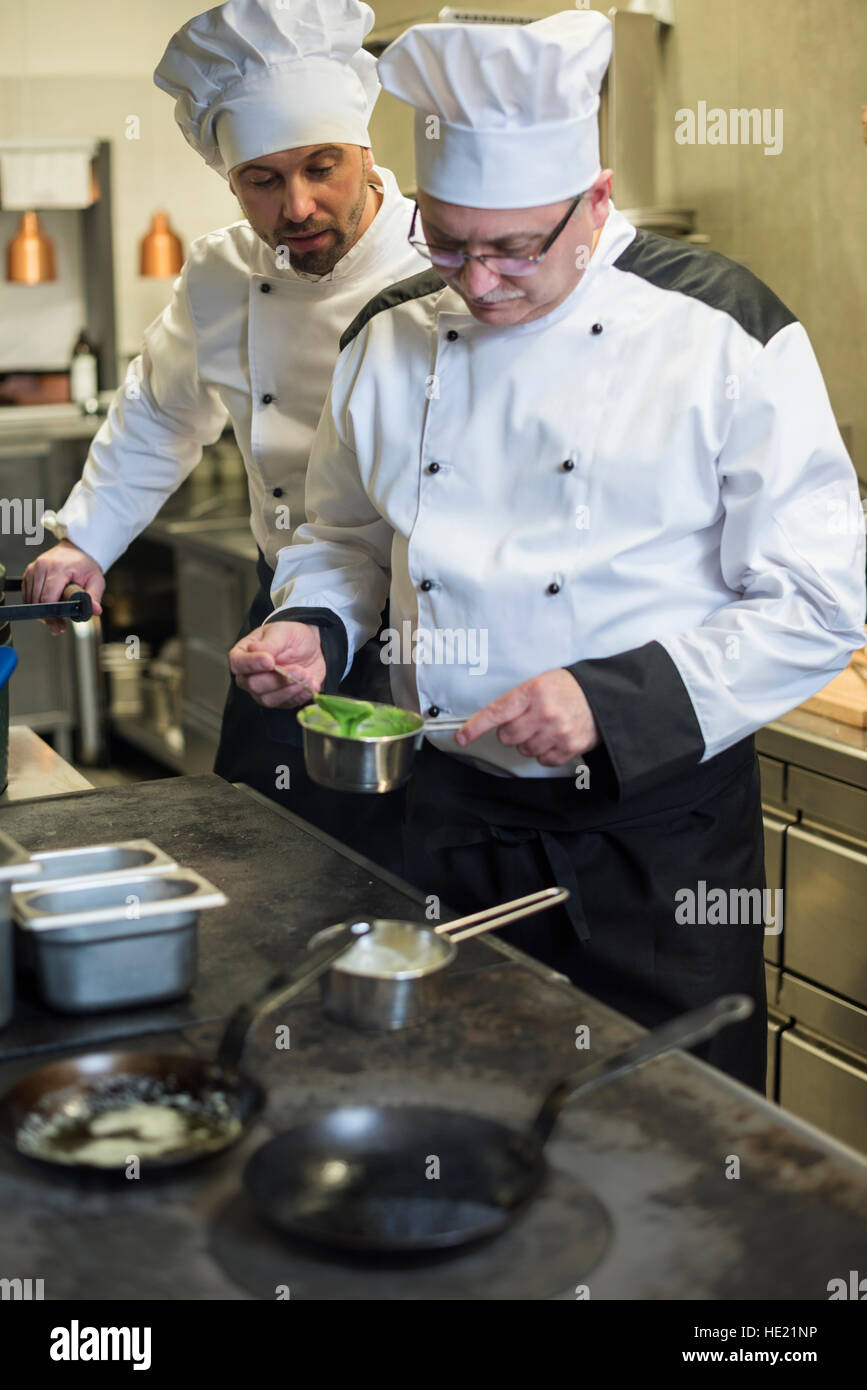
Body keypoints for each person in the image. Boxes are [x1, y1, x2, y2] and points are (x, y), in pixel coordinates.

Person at [227, 10, 866, 1089]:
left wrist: (607, 703)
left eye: (515, 247)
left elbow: (814, 602)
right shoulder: (386, 334)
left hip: (650, 848)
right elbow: (347, 537)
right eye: (447, 240)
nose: (476, 283)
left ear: (598, 203)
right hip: (442, 820)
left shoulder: (723, 330)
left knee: (672, 1133)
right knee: (452, 1106)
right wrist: (312, 623)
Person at [22, 0, 425, 870]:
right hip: (288, 607)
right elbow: (163, 410)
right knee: (254, 848)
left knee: (404, 873)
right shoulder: (219, 272)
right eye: (262, 181)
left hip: (435, 628)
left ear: (365, 151)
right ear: (227, 176)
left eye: (322, 168)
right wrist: (84, 539)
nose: (299, 205)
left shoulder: (446, 263)